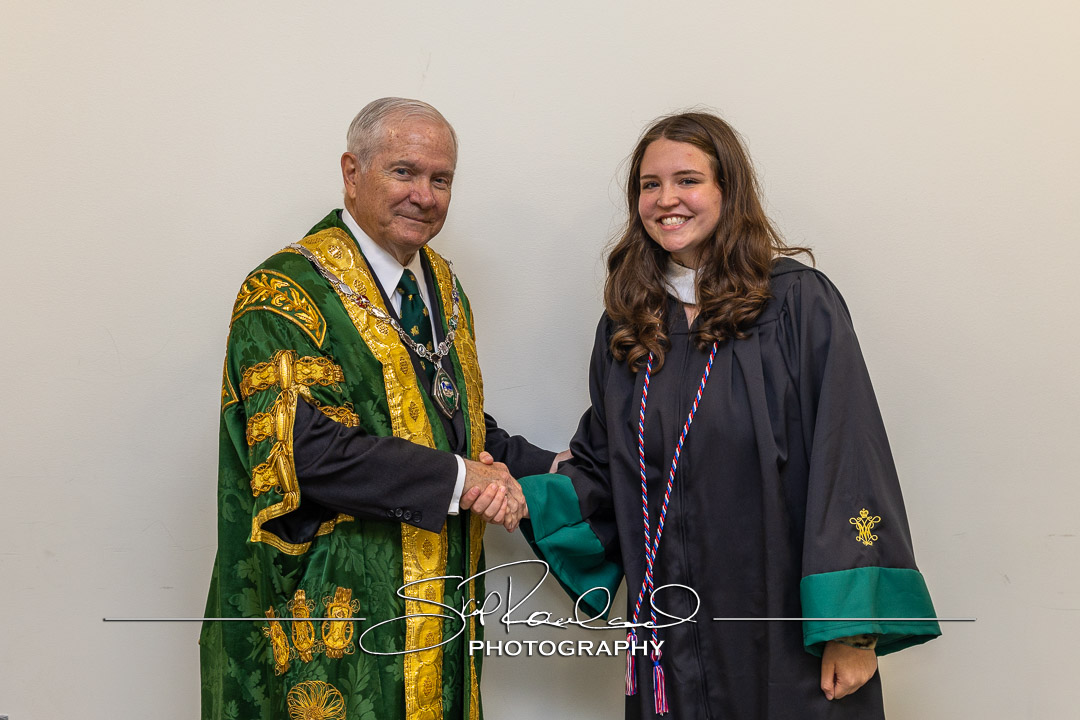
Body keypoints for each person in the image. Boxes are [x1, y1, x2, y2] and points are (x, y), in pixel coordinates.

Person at [517, 112, 940, 719]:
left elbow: (849, 460)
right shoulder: (629, 325)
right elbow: (603, 467)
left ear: (727, 191)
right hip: (672, 635)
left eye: (687, 180)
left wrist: (853, 631)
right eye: (648, 185)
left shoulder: (797, 304)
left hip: (786, 629)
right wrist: (521, 493)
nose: (666, 200)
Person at [200, 97, 555, 720]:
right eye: (404, 172)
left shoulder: (440, 284)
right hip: (329, 625)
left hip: (436, 612)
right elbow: (303, 453)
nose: (424, 194)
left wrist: (555, 468)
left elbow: (454, 424)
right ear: (351, 172)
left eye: (440, 179)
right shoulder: (284, 293)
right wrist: (463, 480)